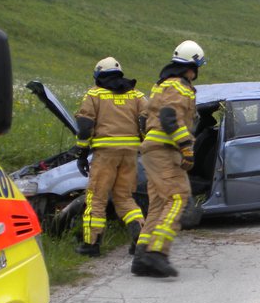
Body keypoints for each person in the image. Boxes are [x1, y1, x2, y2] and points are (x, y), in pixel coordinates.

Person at [132, 40, 206, 278]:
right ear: (192, 66)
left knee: (158, 204)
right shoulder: (180, 86)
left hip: (153, 148)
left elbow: (144, 119)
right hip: (165, 149)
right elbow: (169, 116)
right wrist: (186, 146)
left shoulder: (161, 85)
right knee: (177, 198)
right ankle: (157, 253)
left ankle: (142, 257)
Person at [71, 57, 148, 257]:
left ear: (98, 75)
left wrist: (81, 152)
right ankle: (140, 237)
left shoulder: (94, 95)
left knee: (96, 197)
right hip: (130, 155)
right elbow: (146, 122)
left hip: (105, 154)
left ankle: (91, 244)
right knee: (124, 197)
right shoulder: (137, 95)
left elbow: (85, 126)